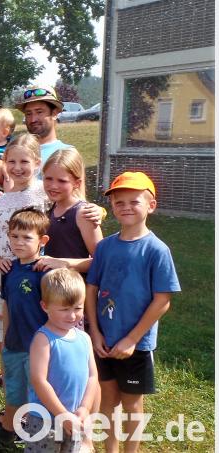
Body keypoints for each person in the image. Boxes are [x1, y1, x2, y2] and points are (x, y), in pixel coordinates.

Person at [85, 172, 180, 453]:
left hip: (136, 345)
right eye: (118, 201)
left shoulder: (157, 250)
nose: (125, 206)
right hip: (104, 341)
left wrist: (132, 340)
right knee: (108, 399)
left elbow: (163, 300)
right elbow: (92, 289)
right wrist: (95, 332)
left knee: (131, 403)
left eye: (133, 201)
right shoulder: (105, 247)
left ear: (151, 205)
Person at [0, 208, 51, 451]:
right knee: (13, 393)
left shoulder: (45, 272)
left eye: (26, 237)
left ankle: (40, 441)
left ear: (42, 240)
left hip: (38, 348)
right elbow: (6, 306)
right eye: (14, 236)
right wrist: (6, 340)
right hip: (14, 345)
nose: (18, 242)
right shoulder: (9, 270)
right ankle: (7, 433)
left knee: (39, 395)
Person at [0, 133, 47, 361]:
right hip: (1, 274)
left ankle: (36, 374)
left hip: (33, 275)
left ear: (37, 163)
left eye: (24, 162)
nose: (17, 168)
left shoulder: (45, 194)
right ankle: (8, 374)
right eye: (12, 162)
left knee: (34, 325)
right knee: (3, 332)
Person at [24, 268, 99, 453]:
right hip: (45, 420)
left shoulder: (84, 338)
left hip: (74, 417)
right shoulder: (44, 339)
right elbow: (38, 380)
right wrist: (61, 414)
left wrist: (85, 408)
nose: (72, 315)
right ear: (45, 306)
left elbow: (92, 376)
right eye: (64, 309)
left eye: (78, 308)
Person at [36, 149, 103, 276]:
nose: (53, 186)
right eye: (48, 179)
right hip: (51, 289)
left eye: (62, 181)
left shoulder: (83, 213)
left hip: (75, 291)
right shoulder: (50, 208)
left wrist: (65, 264)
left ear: (77, 183)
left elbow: (102, 261)